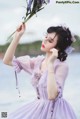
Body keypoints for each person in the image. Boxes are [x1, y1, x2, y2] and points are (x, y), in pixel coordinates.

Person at [3, 23, 77, 119]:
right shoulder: (37, 62)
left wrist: (50, 65)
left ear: (58, 48)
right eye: (46, 36)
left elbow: (52, 96)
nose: (45, 40)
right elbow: (7, 60)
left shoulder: (62, 66)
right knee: (7, 116)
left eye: (50, 40)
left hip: (56, 112)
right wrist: (17, 36)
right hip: (38, 108)